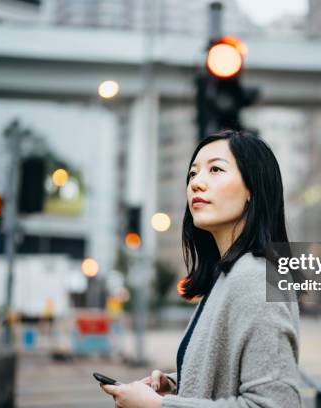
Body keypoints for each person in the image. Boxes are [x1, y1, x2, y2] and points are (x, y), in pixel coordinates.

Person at [101, 130, 302, 408]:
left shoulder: (255, 278)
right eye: (193, 174)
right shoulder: (228, 275)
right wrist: (176, 384)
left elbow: (274, 404)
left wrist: (157, 407)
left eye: (216, 169)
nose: (196, 183)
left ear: (252, 190)